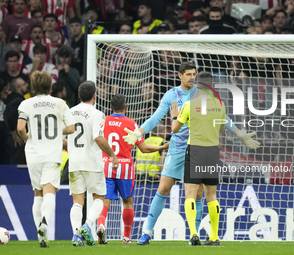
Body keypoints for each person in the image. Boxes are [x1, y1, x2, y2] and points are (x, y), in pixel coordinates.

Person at [171, 72, 260, 245]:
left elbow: (175, 129)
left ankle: (194, 235)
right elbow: (220, 130)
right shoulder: (220, 105)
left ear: (197, 85)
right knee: (212, 195)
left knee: (190, 193)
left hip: (195, 150)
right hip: (212, 152)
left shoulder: (190, 104)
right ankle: (214, 237)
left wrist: (175, 115)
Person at [123, 62, 205, 245]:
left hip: (197, 149)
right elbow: (156, 118)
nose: (192, 77)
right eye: (189, 74)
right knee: (163, 188)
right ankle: (147, 232)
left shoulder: (202, 94)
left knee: (198, 193)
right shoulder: (172, 95)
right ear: (180, 75)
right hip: (176, 148)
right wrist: (138, 133)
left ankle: (195, 234)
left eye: (194, 74)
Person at [97, 94, 169, 245]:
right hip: (125, 168)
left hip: (107, 164)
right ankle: (126, 237)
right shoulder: (132, 124)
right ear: (125, 107)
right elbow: (143, 149)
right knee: (128, 202)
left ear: (110, 107)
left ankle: (101, 225)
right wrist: (161, 147)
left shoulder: (103, 121)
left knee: (105, 201)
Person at [17, 71, 75, 247]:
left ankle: (40, 234)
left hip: (33, 154)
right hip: (52, 153)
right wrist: (57, 130)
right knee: (50, 192)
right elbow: (71, 129)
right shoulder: (60, 103)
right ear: (50, 86)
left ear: (33, 87)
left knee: (37, 192)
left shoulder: (26, 104)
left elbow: (20, 128)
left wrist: (28, 137)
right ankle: (44, 223)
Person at [67, 81, 119, 247]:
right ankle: (87, 225)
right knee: (99, 197)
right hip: (92, 161)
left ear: (79, 95)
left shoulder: (69, 112)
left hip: (74, 162)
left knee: (77, 201)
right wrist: (112, 155)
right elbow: (98, 137)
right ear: (95, 96)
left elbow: (64, 136)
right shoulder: (97, 114)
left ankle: (76, 235)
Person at [4, 77, 29, 164]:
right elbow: (10, 117)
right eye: (24, 84)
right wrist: (14, 135)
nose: (27, 85)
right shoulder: (18, 101)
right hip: (17, 140)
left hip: (10, 137)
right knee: (17, 162)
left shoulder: (11, 99)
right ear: (18, 89)